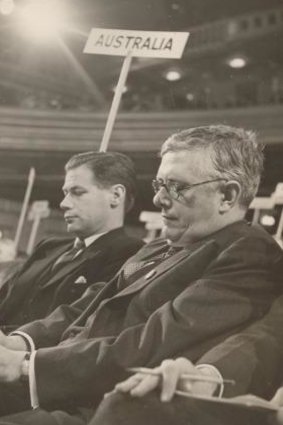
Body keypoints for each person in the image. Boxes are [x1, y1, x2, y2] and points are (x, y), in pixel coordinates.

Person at [0, 124, 281, 425]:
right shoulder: (160, 244)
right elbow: (88, 306)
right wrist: (18, 343)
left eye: (176, 187)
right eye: (159, 184)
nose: (159, 198)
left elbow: (152, 343)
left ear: (227, 195)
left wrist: (28, 365)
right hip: (55, 377)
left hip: (94, 403)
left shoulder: (248, 253)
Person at [0, 151, 143, 330]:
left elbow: (81, 321)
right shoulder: (49, 247)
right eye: (66, 193)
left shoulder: (131, 254)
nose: (64, 204)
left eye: (77, 192)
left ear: (116, 195)